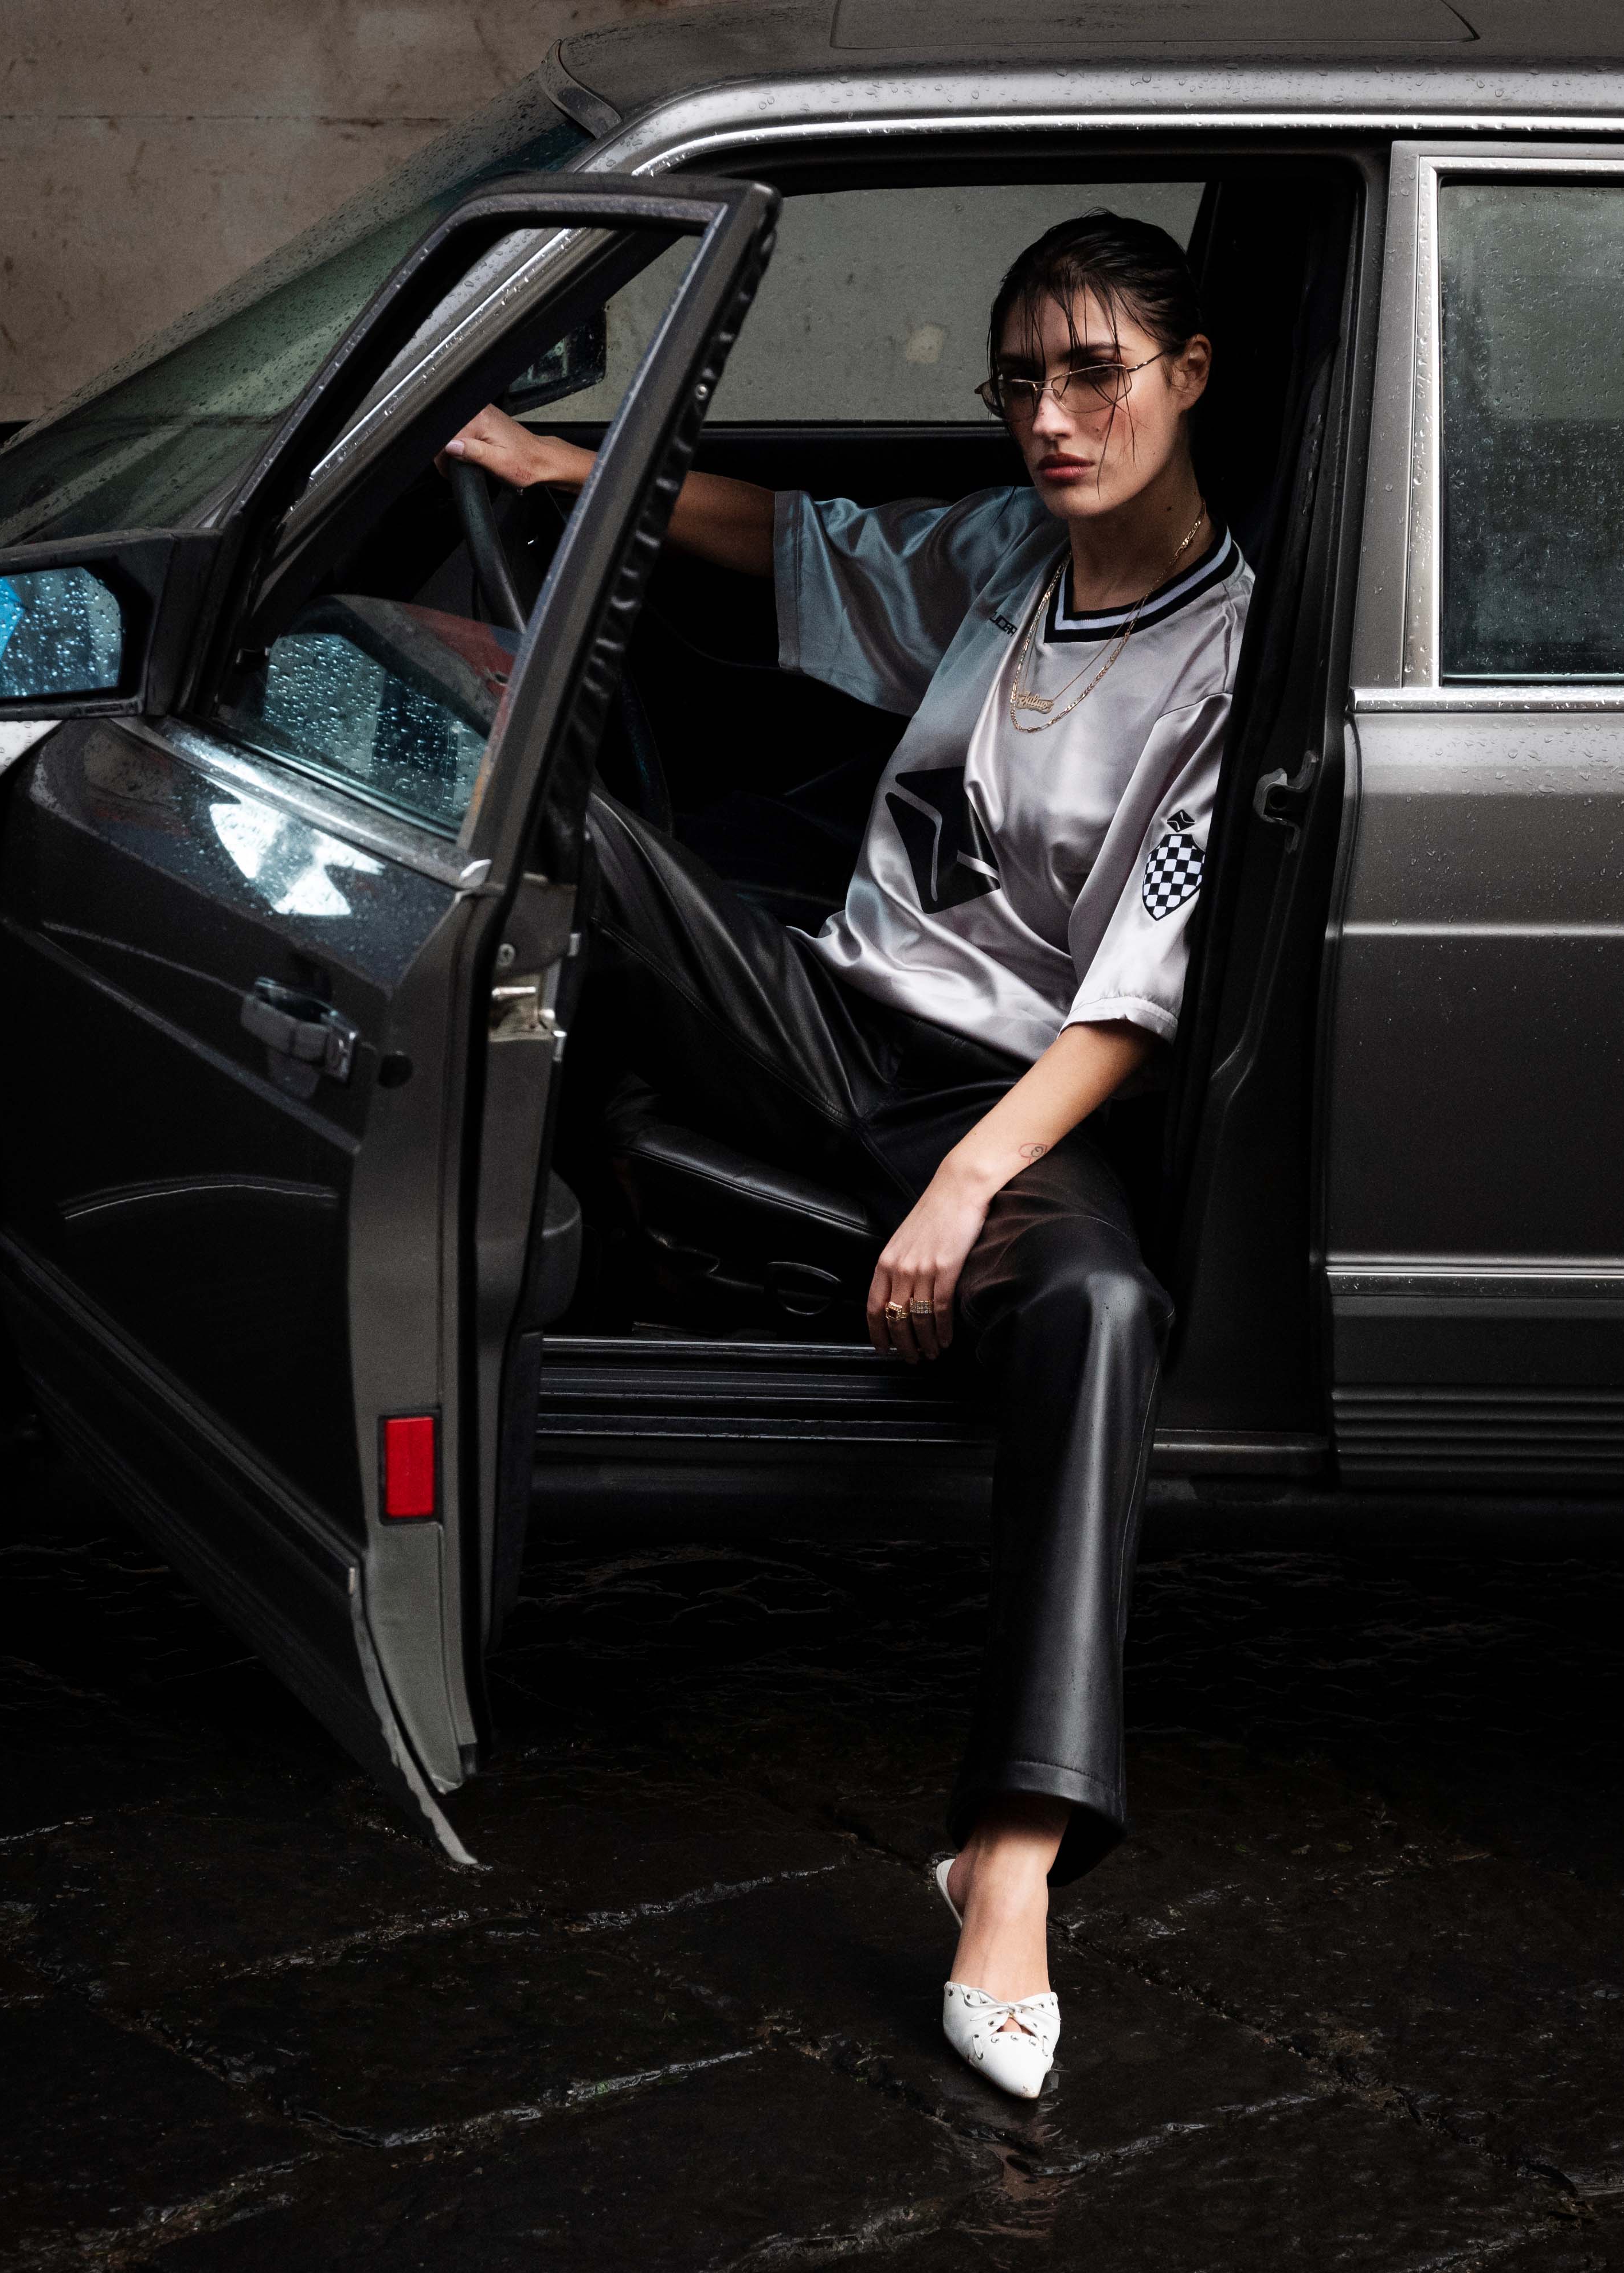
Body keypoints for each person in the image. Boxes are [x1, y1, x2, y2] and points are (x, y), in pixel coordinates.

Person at [446, 212, 1245, 2100]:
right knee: (545, 796)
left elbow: (1136, 1001)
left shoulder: (1233, 655)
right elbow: (821, 545)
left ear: (1190, 375)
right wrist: (562, 469)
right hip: (826, 1013)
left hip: (1015, 1092)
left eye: (1096, 376)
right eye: (1021, 384)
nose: (1053, 422)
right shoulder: (1012, 551)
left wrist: (968, 1182)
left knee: (1102, 1306)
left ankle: (1013, 1856)